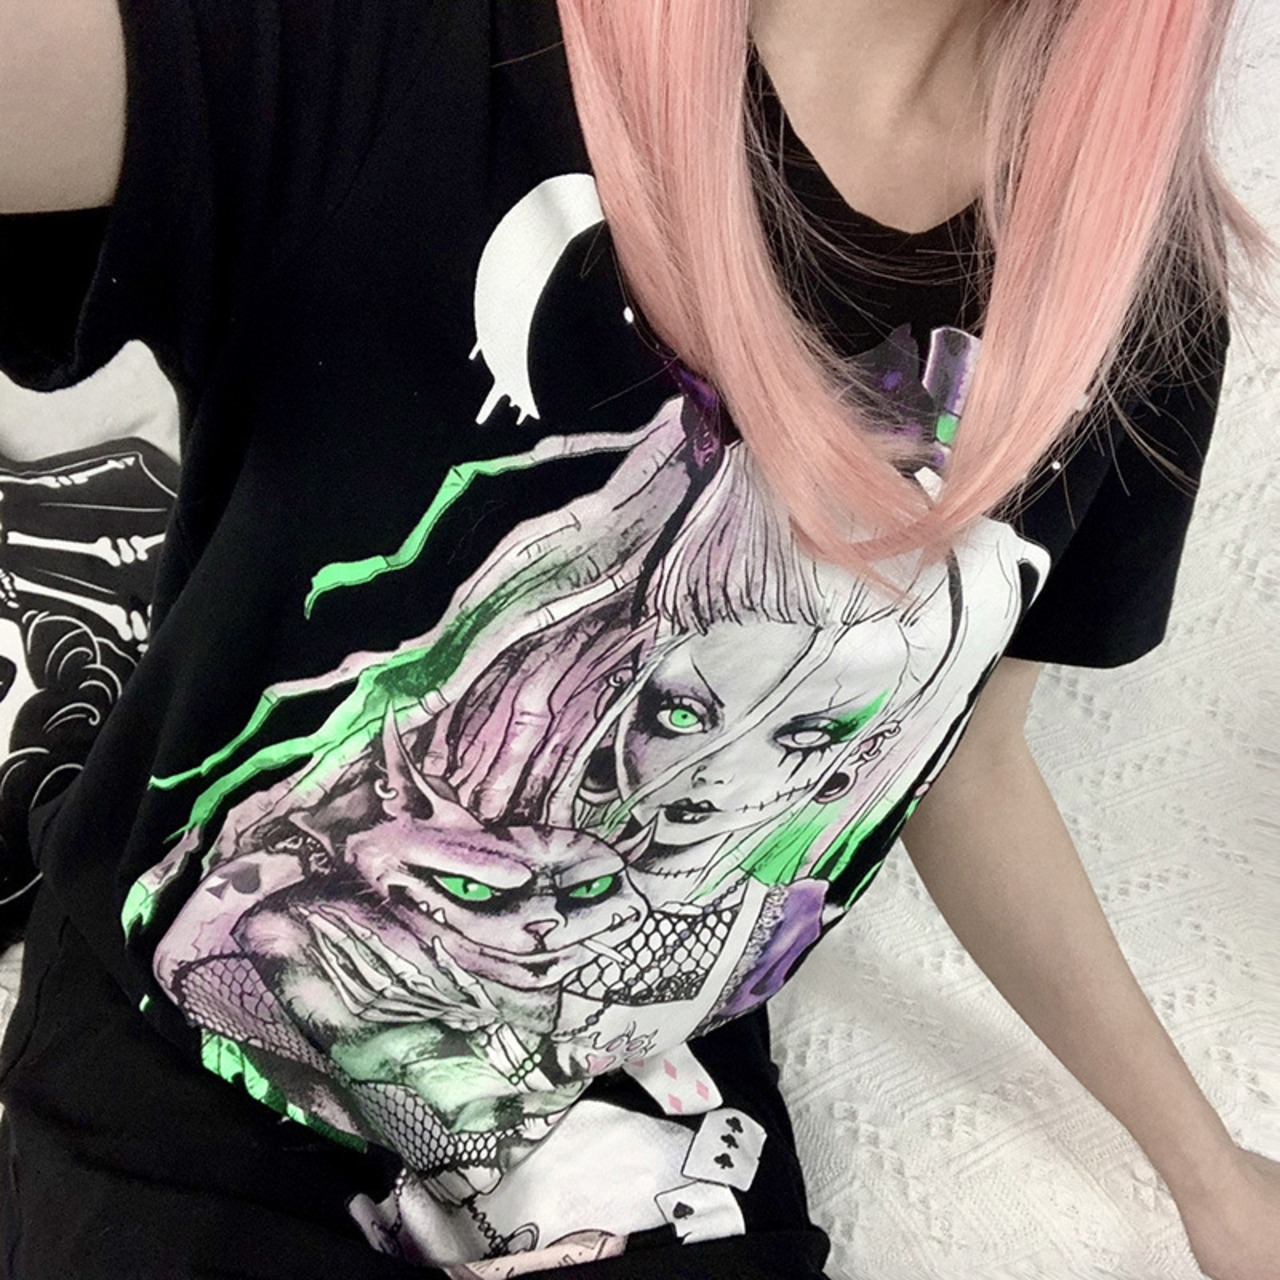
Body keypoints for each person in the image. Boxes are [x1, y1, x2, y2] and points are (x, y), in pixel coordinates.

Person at [0, 1, 1274, 1277]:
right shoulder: (414, 46)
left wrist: (1206, 1170)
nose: (707, 785)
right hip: (186, 1082)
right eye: (676, 708)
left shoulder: (1129, 297)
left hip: (640, 1112)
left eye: (805, 736)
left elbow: (965, 764)